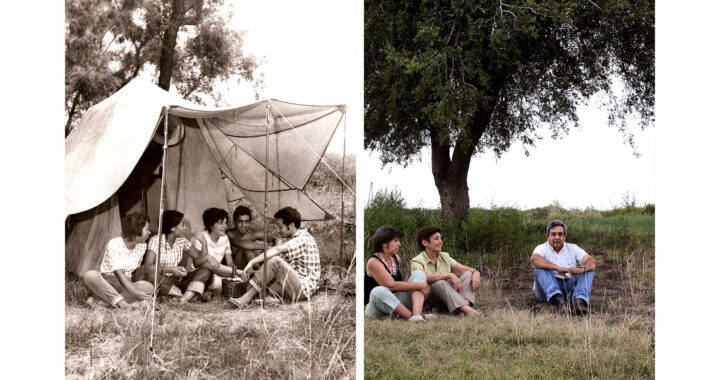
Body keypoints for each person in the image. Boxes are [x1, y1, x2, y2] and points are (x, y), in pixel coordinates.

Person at [229, 207, 320, 307]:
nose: (278, 230)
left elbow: (277, 251)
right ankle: (271, 298)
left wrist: (252, 262)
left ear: (291, 225)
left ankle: (244, 299)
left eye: (280, 227)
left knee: (275, 261)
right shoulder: (295, 239)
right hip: (293, 284)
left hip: (303, 288)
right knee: (263, 287)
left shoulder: (302, 239)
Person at [80, 212, 154, 309]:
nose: (150, 232)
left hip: (125, 285)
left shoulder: (142, 246)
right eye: (147, 229)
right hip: (108, 283)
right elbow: (118, 274)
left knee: (148, 286)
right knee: (90, 275)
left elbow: (135, 273)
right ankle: (123, 304)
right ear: (137, 230)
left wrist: (136, 289)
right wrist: (135, 292)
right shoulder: (115, 243)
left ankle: (108, 302)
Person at [364, 225, 433, 322]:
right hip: (377, 306)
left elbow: (398, 288)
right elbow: (391, 286)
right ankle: (410, 317)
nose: (399, 244)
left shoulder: (397, 258)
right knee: (378, 291)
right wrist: (420, 285)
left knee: (419, 273)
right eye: (396, 241)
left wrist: (419, 284)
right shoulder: (373, 263)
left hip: (396, 302)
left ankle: (417, 315)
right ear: (384, 243)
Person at [143, 210, 214, 303]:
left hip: (178, 282)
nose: (185, 228)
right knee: (152, 276)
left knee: (206, 270)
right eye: (182, 225)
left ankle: (183, 299)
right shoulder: (156, 241)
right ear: (173, 228)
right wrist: (171, 269)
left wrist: (204, 243)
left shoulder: (181, 240)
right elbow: (147, 267)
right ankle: (186, 296)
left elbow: (199, 257)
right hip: (163, 281)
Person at [410, 226, 481, 316]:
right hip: (429, 301)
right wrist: (449, 275)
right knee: (439, 283)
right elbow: (424, 278)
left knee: (468, 274)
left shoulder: (444, 256)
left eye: (440, 238)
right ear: (425, 242)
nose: (440, 241)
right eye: (436, 239)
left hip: (447, 299)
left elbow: (464, 269)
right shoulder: (417, 260)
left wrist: (476, 273)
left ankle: (462, 307)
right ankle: (469, 311)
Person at [530, 220, 597, 315]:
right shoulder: (542, 248)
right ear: (548, 236)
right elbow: (534, 259)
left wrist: (582, 269)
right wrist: (557, 268)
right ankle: (558, 301)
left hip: (567, 287)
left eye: (560, 234)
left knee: (589, 271)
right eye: (553, 234)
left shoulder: (573, 248)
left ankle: (578, 302)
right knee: (540, 267)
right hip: (546, 290)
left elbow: (591, 262)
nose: (557, 237)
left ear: (564, 237)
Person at [192, 207, 244, 295]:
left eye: (225, 223)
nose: (225, 226)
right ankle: (242, 273)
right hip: (199, 275)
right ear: (211, 224)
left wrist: (233, 272)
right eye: (221, 223)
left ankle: (209, 293)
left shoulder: (225, 238)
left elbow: (230, 263)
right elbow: (196, 263)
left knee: (238, 282)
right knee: (208, 264)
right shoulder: (200, 237)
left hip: (217, 274)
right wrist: (207, 258)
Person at [226, 205, 279, 270]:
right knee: (246, 249)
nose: (244, 225)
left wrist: (276, 249)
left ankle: (258, 274)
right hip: (235, 267)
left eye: (247, 221)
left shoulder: (254, 233)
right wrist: (267, 247)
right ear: (234, 222)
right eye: (240, 222)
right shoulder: (230, 234)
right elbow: (243, 244)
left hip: (253, 265)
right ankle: (258, 275)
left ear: (250, 222)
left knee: (250, 251)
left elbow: (277, 238)